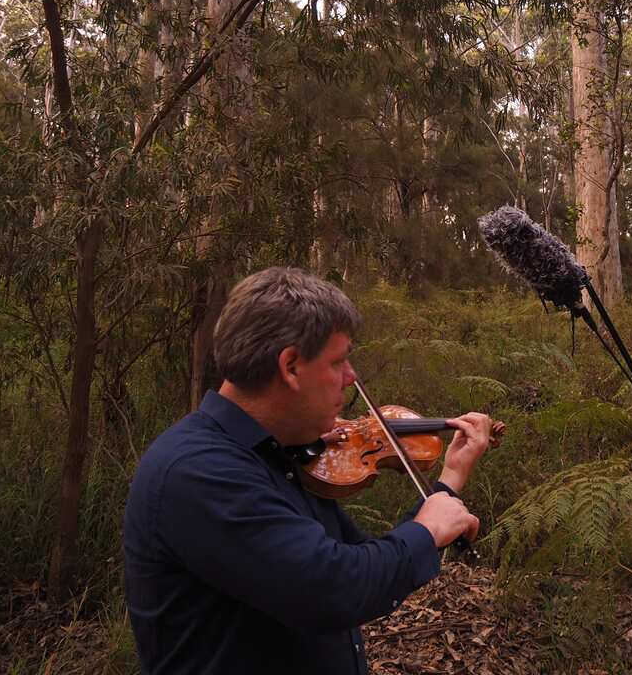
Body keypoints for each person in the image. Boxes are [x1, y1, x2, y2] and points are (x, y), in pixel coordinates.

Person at [124, 267, 493, 675]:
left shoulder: (278, 454)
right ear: (291, 366)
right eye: (338, 361)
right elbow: (334, 589)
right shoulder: (198, 471)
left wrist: (448, 481)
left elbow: (364, 565)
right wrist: (427, 532)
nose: (351, 377)